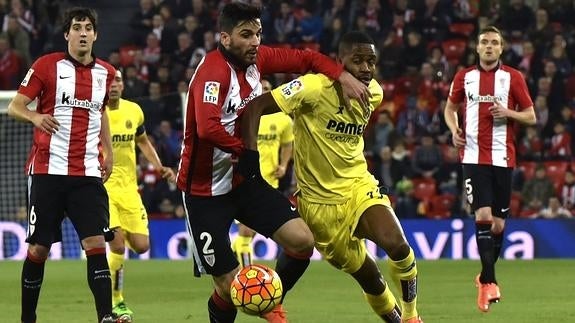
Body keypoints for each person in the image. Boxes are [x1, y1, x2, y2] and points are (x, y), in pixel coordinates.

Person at [176, 3, 370, 323]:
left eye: (258, 34)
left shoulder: (259, 60)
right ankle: (253, 305)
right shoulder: (212, 73)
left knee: (302, 241)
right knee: (227, 288)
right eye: (246, 35)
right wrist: (245, 150)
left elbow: (306, 58)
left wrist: (341, 75)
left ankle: (271, 300)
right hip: (203, 193)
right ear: (225, 38)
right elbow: (206, 128)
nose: (255, 41)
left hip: (241, 181)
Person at [240, 31, 423, 323]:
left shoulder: (374, 92)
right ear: (340, 62)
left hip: (358, 186)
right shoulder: (312, 87)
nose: (365, 68)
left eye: (371, 61)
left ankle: (413, 317)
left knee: (397, 244)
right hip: (318, 205)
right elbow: (256, 107)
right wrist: (248, 159)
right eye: (358, 60)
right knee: (372, 281)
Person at [6, 7, 125, 323]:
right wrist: (36, 116)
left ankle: (106, 316)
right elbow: (16, 106)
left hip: (87, 172)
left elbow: (100, 114)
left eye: (88, 27)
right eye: (77, 27)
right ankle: (27, 317)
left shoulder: (107, 73)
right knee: (39, 249)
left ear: (95, 35)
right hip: (48, 171)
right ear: (67, 34)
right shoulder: (47, 66)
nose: (83, 32)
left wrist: (109, 153)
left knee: (96, 243)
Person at [443, 26, 537, 313]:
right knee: (482, 215)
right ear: (477, 47)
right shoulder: (464, 77)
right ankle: (490, 283)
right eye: (484, 42)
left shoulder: (513, 78)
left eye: (494, 42)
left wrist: (508, 113)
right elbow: (449, 108)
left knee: (498, 225)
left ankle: (484, 276)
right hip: (472, 155)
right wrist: (454, 129)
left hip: (502, 158)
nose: (488, 46)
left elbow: (531, 116)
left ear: (501, 48)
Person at [104, 70, 176, 320]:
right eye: (109, 80)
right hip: (102, 189)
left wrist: (159, 166)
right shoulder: (94, 113)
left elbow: (143, 142)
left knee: (142, 246)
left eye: (118, 81)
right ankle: (116, 301)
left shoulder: (134, 111)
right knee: (118, 244)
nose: (114, 85)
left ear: (123, 85)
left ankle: (108, 272)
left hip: (129, 189)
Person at [231, 79, 294, 267]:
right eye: (260, 89)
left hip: (270, 182)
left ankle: (238, 250)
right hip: (246, 180)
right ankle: (247, 277)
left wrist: (283, 165)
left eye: (267, 89)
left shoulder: (283, 119)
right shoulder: (243, 116)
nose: (263, 92)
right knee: (246, 232)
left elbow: (287, 144)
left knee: (249, 233)